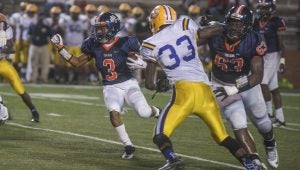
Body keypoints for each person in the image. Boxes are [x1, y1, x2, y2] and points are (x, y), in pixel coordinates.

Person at [140, 5, 262, 170]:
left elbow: (149, 84)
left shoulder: (149, 44)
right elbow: (213, 31)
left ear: (154, 21)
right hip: (206, 91)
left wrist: (162, 84)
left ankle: (172, 158)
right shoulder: (184, 23)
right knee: (223, 137)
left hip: (184, 93)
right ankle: (250, 164)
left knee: (160, 134)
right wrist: (216, 24)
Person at [50, 12, 160, 160]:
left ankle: (156, 111)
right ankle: (128, 145)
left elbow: (146, 59)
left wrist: (143, 63)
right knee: (113, 112)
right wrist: (61, 48)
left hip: (128, 83)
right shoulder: (93, 45)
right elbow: (76, 62)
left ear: (113, 28)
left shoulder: (127, 42)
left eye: (103, 28)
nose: (99, 31)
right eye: (98, 28)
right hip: (110, 86)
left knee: (144, 113)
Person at [205, 5, 278, 169]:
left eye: (239, 24)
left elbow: (257, 75)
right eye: (232, 23)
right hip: (220, 84)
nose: (234, 27)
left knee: (263, 123)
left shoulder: (254, 39)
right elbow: (191, 38)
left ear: (247, 26)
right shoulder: (216, 34)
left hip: (248, 84)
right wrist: (198, 27)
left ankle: (270, 142)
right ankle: (255, 160)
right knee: (238, 123)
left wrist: (234, 88)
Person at [0, 13, 40, 122]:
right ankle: (2, 110)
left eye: (2, 23)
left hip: (2, 62)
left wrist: (3, 49)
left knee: (19, 88)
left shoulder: (7, 30)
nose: (1, 25)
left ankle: (33, 110)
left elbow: (10, 46)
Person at [253, 0, 286, 127]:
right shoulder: (256, 22)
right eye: (261, 8)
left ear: (271, 9)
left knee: (262, 82)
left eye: (265, 8)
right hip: (262, 56)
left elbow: (281, 43)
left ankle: (268, 113)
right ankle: (280, 118)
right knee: (274, 88)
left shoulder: (276, 21)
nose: (262, 11)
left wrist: (282, 60)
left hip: (273, 55)